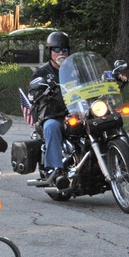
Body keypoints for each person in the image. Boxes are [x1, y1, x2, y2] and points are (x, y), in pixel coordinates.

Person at [28, 31, 73, 188]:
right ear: (50, 52)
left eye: (64, 49)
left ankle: (124, 160)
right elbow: (32, 93)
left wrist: (109, 78)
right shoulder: (42, 73)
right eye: (56, 49)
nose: (61, 53)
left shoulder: (76, 70)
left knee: (109, 118)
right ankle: (55, 170)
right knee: (52, 126)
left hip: (78, 113)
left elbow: (92, 80)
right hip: (54, 115)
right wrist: (41, 92)